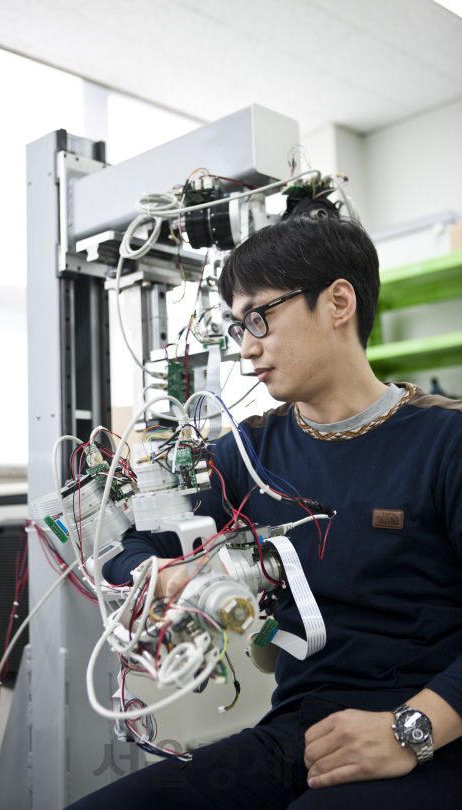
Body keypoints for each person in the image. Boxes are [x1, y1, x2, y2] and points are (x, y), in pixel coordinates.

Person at [66, 215, 462, 809]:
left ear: (337, 302)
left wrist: (410, 730)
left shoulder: (444, 441)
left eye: (260, 317)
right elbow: (129, 548)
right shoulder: (246, 454)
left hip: (432, 732)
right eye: (237, 326)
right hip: (298, 732)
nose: (247, 346)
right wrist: (164, 576)